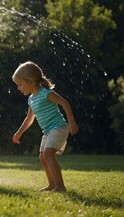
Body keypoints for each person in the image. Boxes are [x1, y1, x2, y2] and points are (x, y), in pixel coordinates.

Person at [11, 61, 79, 192]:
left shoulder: (46, 93)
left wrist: (71, 121)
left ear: (31, 82)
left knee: (48, 154)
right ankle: (52, 185)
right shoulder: (31, 99)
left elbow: (64, 103)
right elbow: (29, 119)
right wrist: (19, 133)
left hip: (58, 127)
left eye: (20, 84)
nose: (18, 88)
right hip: (48, 131)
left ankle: (60, 186)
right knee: (42, 157)